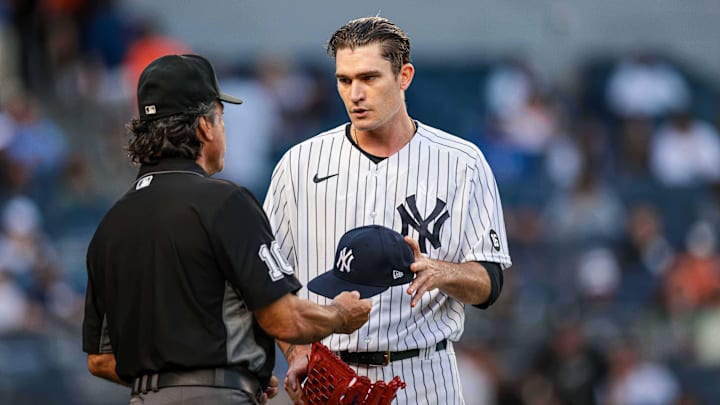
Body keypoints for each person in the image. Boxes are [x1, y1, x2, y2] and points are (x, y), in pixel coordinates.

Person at [82, 54, 372, 405]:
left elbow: (100, 360)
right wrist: (341, 315)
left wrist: (198, 376)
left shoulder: (113, 221)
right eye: (220, 118)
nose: (222, 129)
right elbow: (285, 319)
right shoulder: (224, 202)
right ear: (204, 126)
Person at [264, 17, 512, 404]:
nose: (355, 94)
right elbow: (269, 281)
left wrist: (441, 271)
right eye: (344, 80)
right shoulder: (299, 164)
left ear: (404, 76)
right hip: (329, 373)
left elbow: (490, 283)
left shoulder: (462, 162)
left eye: (369, 78)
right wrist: (296, 352)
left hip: (424, 374)